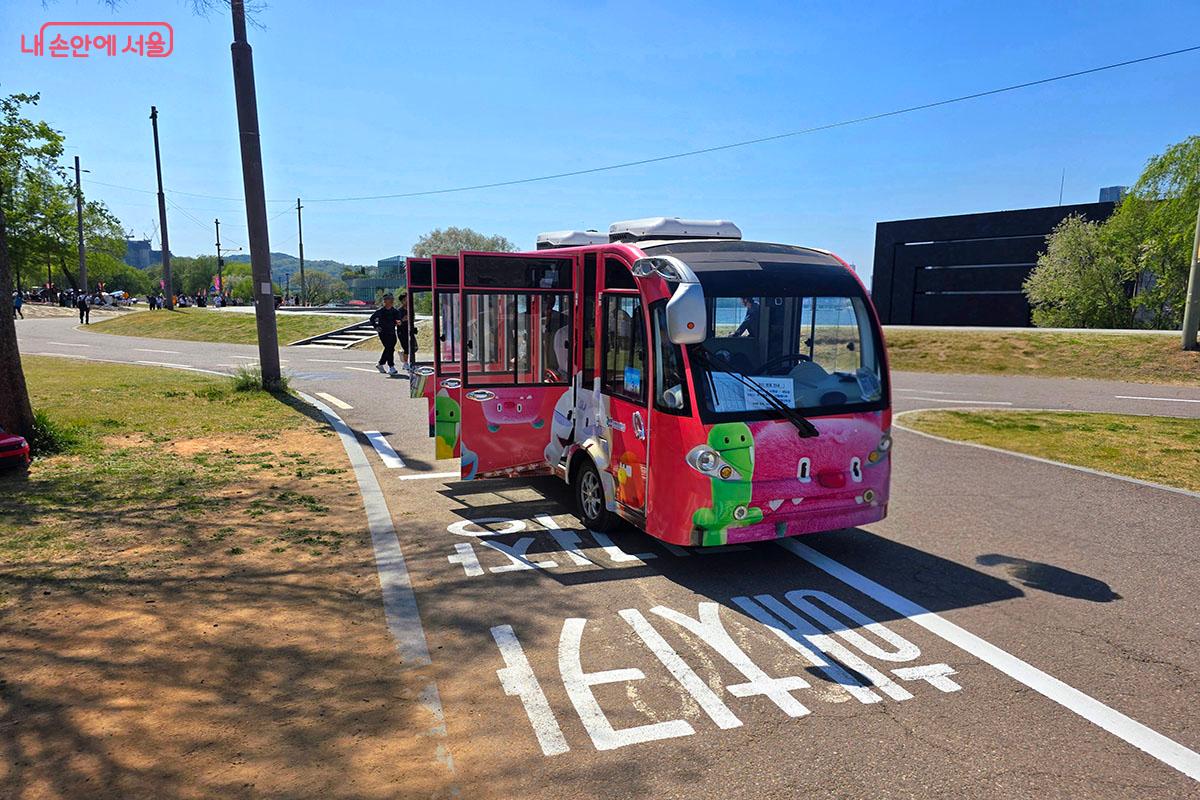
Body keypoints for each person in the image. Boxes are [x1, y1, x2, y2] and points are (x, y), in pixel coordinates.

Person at [370, 293, 403, 375]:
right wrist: (376, 326)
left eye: (392, 299)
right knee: (389, 348)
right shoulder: (380, 311)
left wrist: (399, 322)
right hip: (383, 333)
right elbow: (372, 319)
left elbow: (398, 320)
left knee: (390, 348)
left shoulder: (395, 311)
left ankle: (380, 364)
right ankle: (391, 367)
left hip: (392, 332)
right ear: (385, 301)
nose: (392, 300)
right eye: (389, 299)